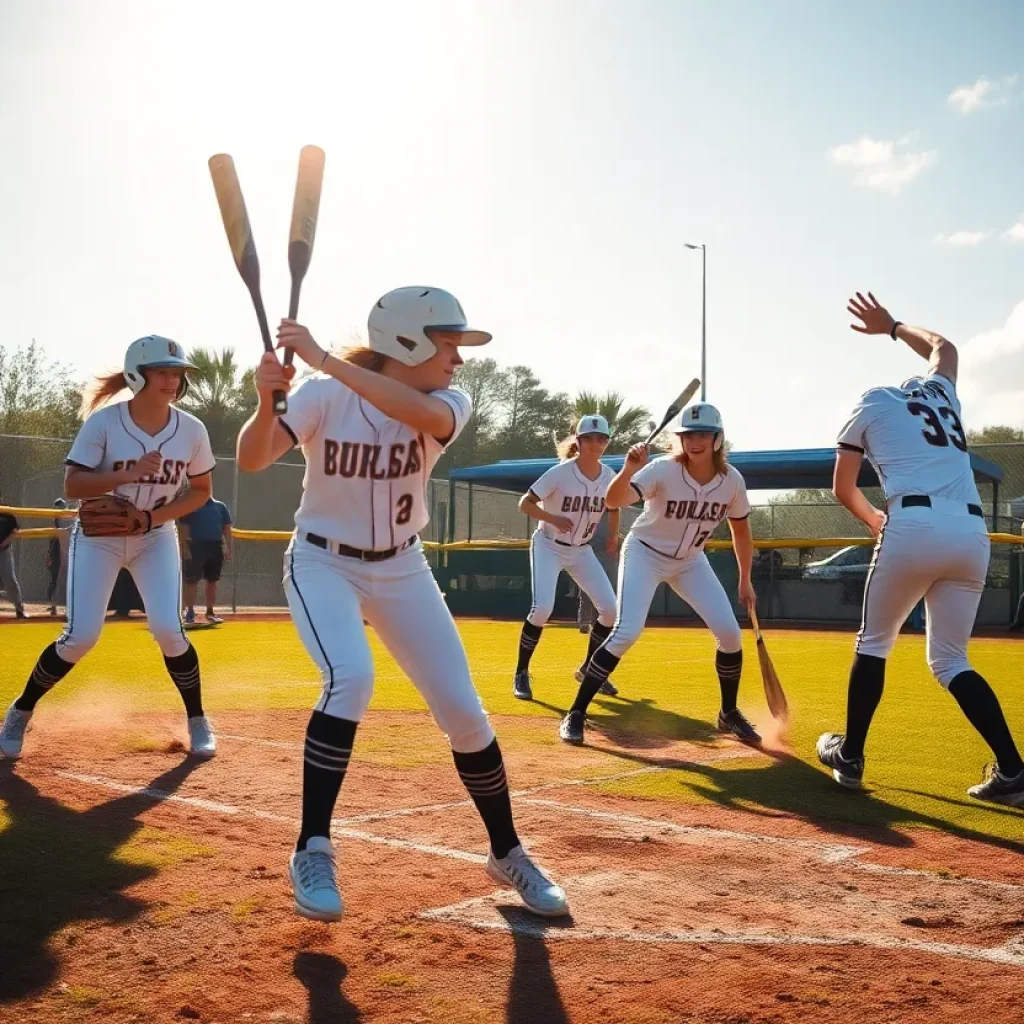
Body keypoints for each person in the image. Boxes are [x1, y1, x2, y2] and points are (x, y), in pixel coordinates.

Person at [236, 286, 568, 923]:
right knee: (350, 678)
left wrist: (324, 359)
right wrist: (265, 400)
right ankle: (312, 847)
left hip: (402, 567)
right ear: (409, 341)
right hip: (322, 561)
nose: (458, 359)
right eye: (447, 343)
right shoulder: (321, 396)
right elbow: (253, 459)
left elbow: (419, 415)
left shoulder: (447, 402)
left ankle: (507, 852)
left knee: (465, 715)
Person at [817, 292, 1023, 807]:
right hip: (971, 532)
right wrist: (892, 326)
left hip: (913, 522)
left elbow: (843, 487)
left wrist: (873, 520)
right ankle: (1014, 771)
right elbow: (943, 346)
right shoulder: (942, 395)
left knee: (874, 642)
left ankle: (851, 757)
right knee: (951, 659)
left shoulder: (873, 400)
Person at [0, 336, 218, 761]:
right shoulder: (104, 423)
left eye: (177, 373)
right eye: (163, 372)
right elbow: (73, 485)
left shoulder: (191, 429)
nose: (173, 380)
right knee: (81, 637)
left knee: (169, 631)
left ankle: (197, 719)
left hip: (155, 535)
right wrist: (129, 474)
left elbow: (202, 491)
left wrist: (152, 519)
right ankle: (19, 713)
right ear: (138, 375)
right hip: (99, 538)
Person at [559, 403, 760, 747]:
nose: (694, 441)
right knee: (626, 632)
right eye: (687, 435)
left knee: (729, 634)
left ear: (717, 439)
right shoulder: (661, 470)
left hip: (690, 562)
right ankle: (576, 712)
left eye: (703, 434)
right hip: (645, 554)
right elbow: (613, 500)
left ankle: (728, 713)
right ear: (678, 439)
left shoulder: (731, 481)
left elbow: (741, 531)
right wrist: (628, 469)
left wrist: (745, 579)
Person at [512, 415, 621, 701]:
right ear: (579, 441)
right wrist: (552, 518)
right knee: (542, 609)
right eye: (589, 438)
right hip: (549, 544)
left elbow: (614, 504)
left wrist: (613, 534)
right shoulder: (560, 473)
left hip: (581, 550)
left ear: (606, 442)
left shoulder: (609, 476)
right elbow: (525, 503)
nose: (595, 443)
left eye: (601, 438)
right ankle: (521, 672)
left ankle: (590, 669)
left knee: (610, 610)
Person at [180, 496, 233, 624]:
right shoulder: (192, 504)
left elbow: (227, 529)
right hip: (196, 546)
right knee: (191, 580)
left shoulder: (220, 506)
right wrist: (185, 547)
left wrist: (228, 548)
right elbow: (184, 527)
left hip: (215, 546)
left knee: (212, 580)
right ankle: (189, 611)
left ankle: (210, 612)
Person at [578, 510, 620, 631]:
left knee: (608, 586)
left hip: (606, 549)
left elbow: (615, 509)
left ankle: (602, 621)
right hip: (588, 547)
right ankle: (584, 620)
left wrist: (614, 536)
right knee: (586, 586)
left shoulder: (611, 508)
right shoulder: (586, 503)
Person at [0, 490, 28, 619]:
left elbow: (15, 531)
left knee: (10, 579)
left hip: (4, 551)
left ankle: (19, 609)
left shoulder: (7, 513)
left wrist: (4, 543)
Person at [45, 498, 74, 616]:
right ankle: (55, 606)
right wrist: (49, 554)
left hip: (67, 553)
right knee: (59, 580)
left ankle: (59, 606)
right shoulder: (60, 518)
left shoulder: (69, 517)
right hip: (61, 553)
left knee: (64, 580)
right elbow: (53, 538)